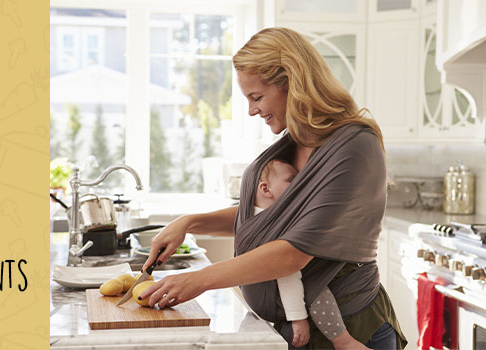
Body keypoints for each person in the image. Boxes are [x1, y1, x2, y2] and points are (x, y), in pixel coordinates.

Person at [138, 27, 407, 350]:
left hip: (350, 331)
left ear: (293, 84)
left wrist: (197, 280)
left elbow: (294, 251)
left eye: (257, 97)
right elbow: (269, 217)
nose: (252, 110)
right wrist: (189, 222)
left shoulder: (353, 146)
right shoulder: (295, 142)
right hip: (299, 330)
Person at [256, 159, 368, 349]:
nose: (300, 185)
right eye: (292, 180)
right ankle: (343, 341)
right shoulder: (275, 226)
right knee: (315, 286)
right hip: (292, 291)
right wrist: (298, 318)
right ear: (266, 189)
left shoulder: (259, 217)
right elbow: (287, 274)